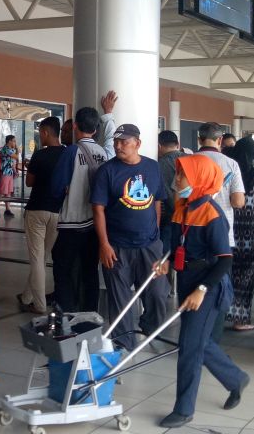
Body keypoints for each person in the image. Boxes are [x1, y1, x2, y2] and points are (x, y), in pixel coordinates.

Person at [157, 153, 249, 428]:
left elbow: (225, 260)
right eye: (178, 174)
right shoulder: (182, 207)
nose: (177, 180)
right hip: (188, 279)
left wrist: (201, 290)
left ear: (199, 178)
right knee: (199, 342)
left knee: (189, 346)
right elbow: (178, 246)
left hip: (208, 286)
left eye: (182, 175)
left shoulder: (212, 214)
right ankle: (236, 378)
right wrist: (166, 263)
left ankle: (184, 409)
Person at [91, 123, 168, 352]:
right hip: (117, 246)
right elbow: (98, 209)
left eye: (124, 142)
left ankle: (150, 327)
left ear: (138, 144)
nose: (118, 146)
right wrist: (104, 244)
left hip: (150, 245)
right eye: (116, 141)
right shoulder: (107, 171)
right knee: (119, 300)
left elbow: (157, 202)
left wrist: (156, 237)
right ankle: (124, 343)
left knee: (157, 293)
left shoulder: (153, 168)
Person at [51, 102, 115, 313]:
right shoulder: (105, 154)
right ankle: (90, 314)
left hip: (72, 222)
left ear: (76, 126)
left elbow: (56, 186)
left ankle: (66, 312)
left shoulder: (72, 152)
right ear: (95, 129)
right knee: (89, 270)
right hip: (95, 224)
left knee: (63, 267)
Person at [16, 116, 65, 315]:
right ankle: (27, 296)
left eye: (40, 133)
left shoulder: (39, 155)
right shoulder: (67, 154)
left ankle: (39, 305)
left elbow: (29, 182)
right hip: (58, 211)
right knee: (43, 257)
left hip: (37, 210)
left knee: (37, 259)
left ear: (45, 132)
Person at [226, 136, 254, 332]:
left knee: (228, 273)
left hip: (231, 231)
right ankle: (240, 320)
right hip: (252, 233)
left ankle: (222, 312)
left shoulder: (231, 171)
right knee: (246, 277)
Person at [196, 123, 246, 239]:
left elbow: (177, 199)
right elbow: (238, 202)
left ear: (199, 140)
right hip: (222, 229)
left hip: (193, 228)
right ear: (220, 140)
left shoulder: (186, 162)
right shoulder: (231, 164)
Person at [0, 135, 18, 216]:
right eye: (14, 141)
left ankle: (7, 209)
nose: (15, 143)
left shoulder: (11, 150)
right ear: (9, 141)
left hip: (9, 173)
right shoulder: (6, 149)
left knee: (8, 192)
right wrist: (18, 150)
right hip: (5, 173)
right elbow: (16, 157)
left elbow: (12, 162)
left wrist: (15, 171)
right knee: (2, 191)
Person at [157, 130, 182, 196]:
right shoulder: (190, 157)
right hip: (195, 204)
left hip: (174, 204)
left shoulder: (160, 164)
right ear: (178, 144)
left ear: (159, 146)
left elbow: (167, 193)